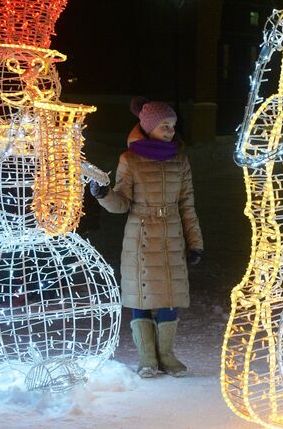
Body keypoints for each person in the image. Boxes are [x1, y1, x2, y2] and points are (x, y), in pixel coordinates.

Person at [90, 96, 203, 378]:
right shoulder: (130, 159)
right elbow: (122, 204)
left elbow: (187, 205)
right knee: (141, 297)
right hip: (140, 236)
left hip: (172, 236)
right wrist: (104, 195)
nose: (170, 131)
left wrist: (195, 243)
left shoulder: (180, 159)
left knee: (168, 296)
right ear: (148, 127)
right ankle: (147, 359)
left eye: (173, 125)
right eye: (164, 125)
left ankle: (166, 355)